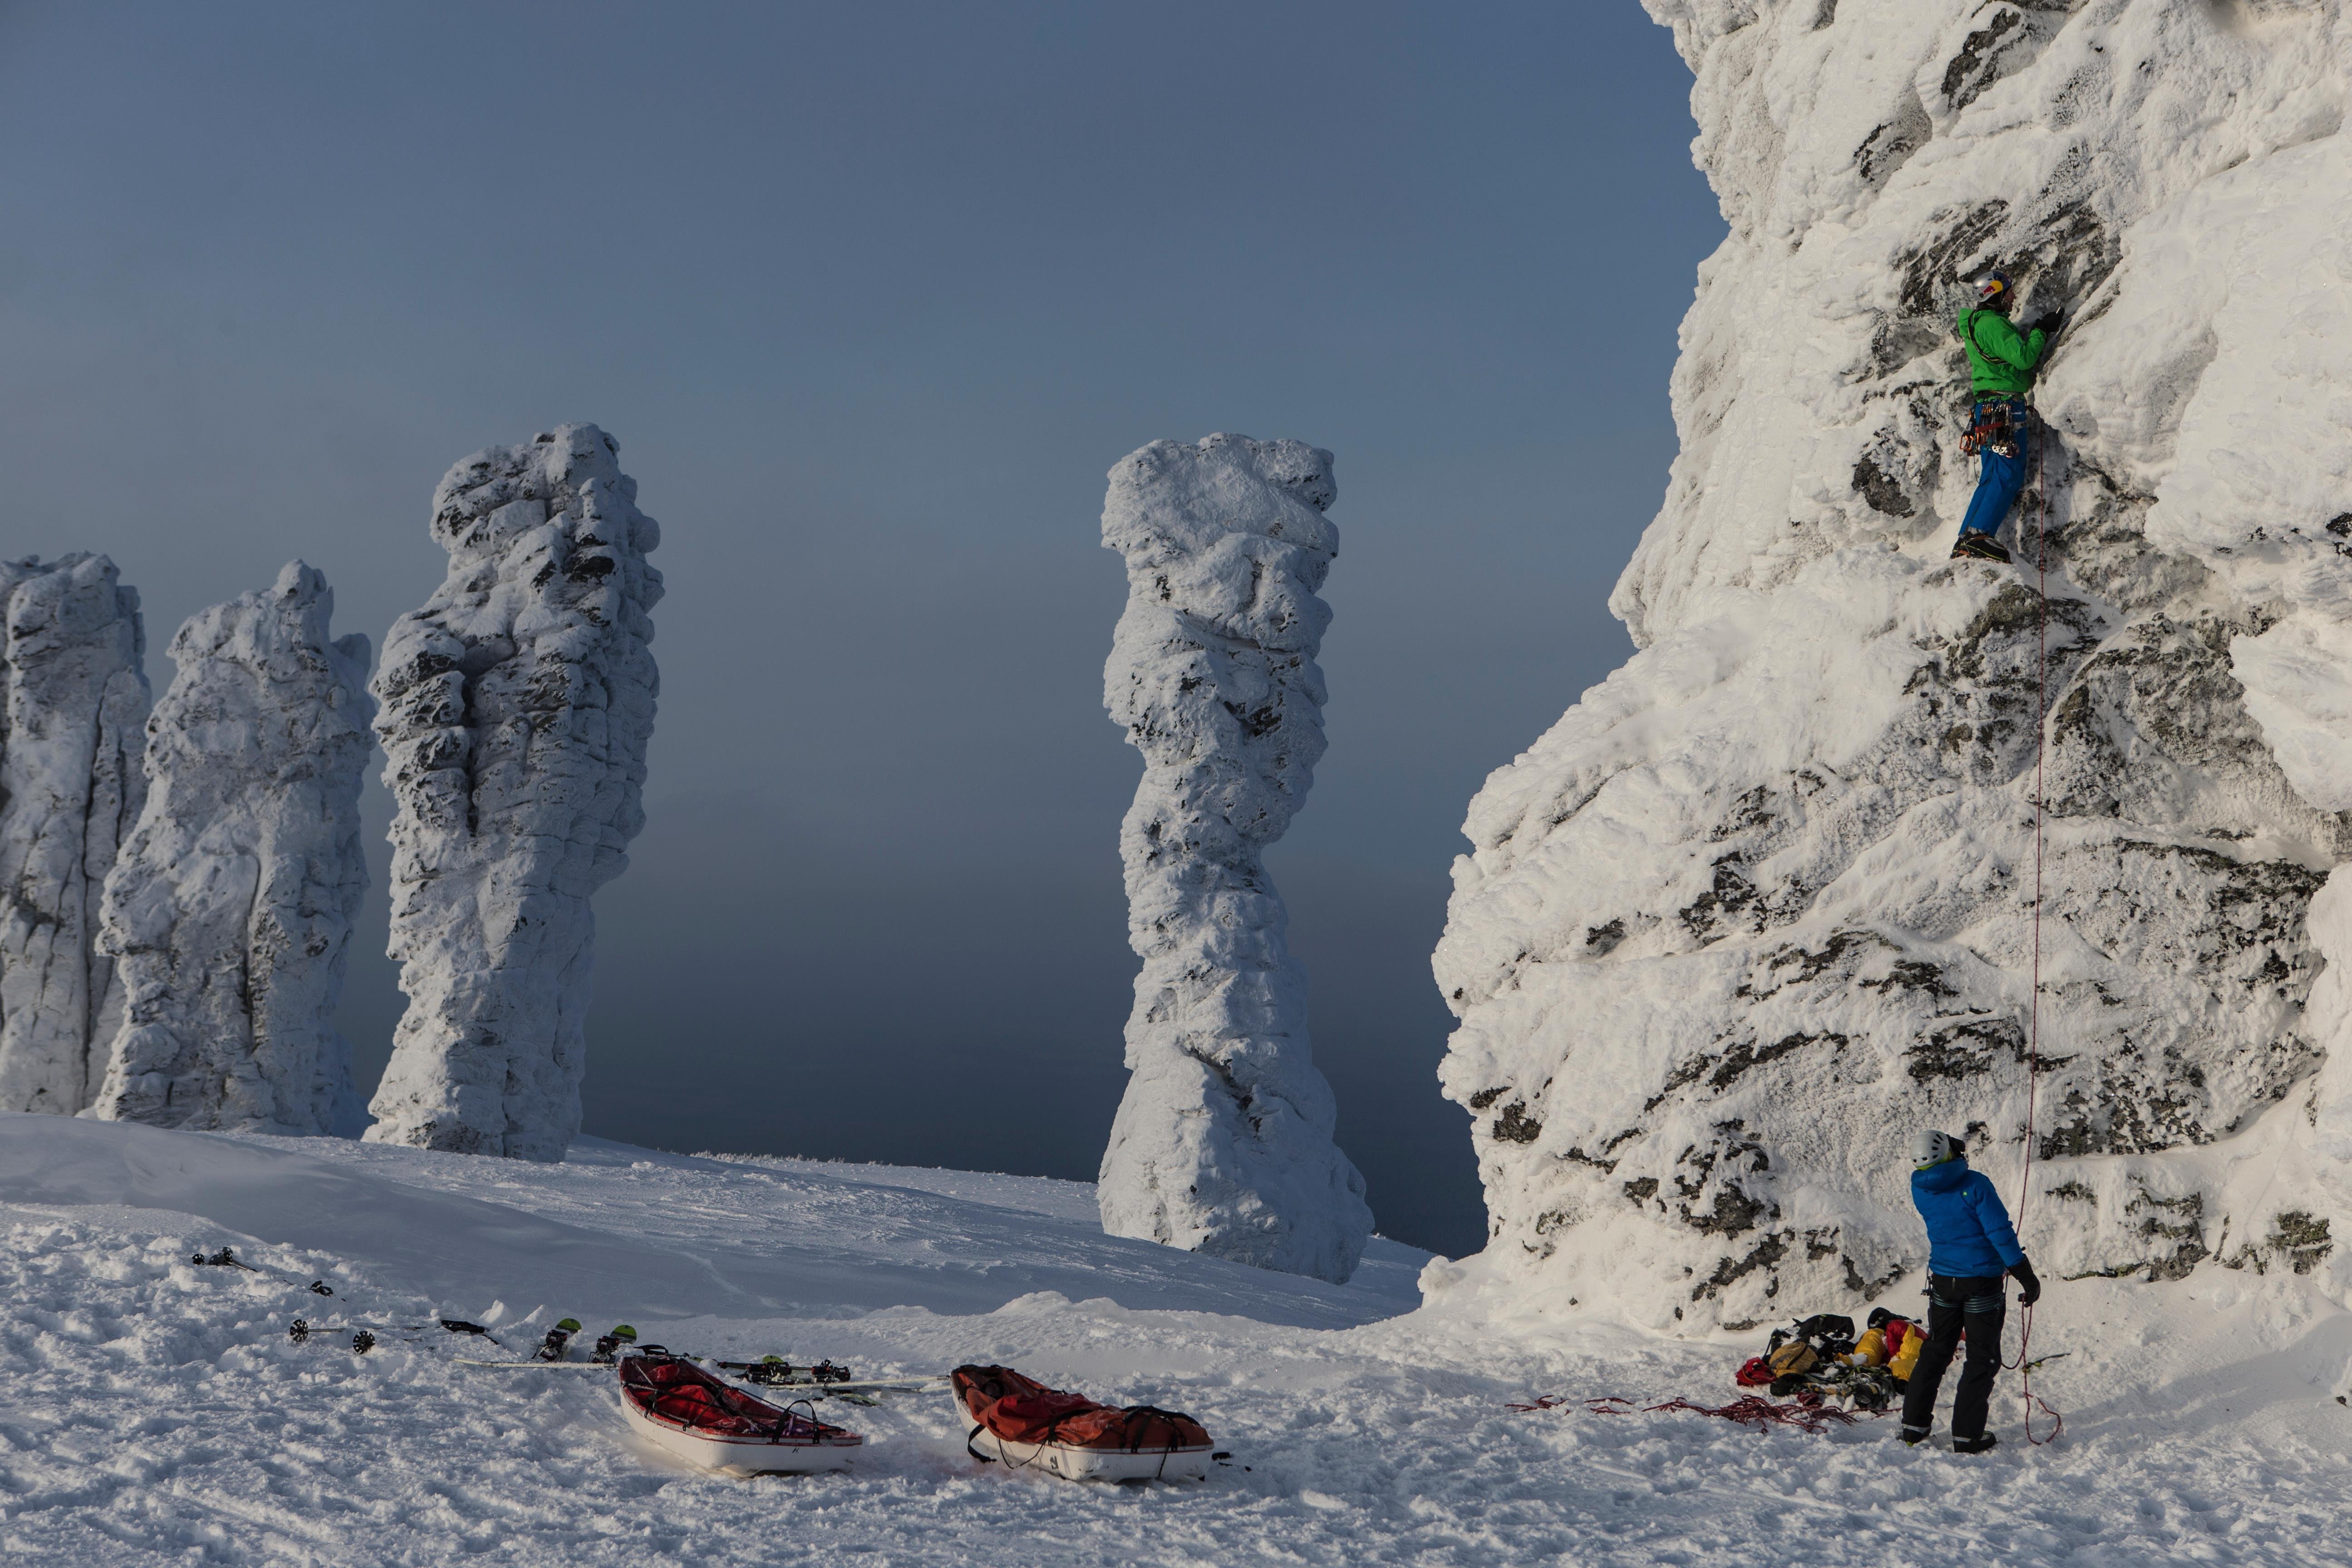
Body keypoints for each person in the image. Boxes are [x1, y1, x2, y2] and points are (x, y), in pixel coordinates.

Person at [1900, 1129, 2041, 1452]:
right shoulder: (1975, 1184)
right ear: (1948, 1153)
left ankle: (1913, 1426)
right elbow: (1999, 1232)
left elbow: (1945, 1187)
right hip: (1980, 1284)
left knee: (1936, 1351)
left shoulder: (1919, 1187)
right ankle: (1967, 1435)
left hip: (1943, 1282)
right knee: (1981, 1359)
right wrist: (2026, 1277)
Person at [1951, 273, 2061, 565]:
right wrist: (2041, 330)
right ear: (1996, 293)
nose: (2013, 298)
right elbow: (2024, 358)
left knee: (1990, 477)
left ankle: (1966, 540)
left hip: (1989, 409)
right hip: (2003, 410)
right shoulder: (1992, 323)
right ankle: (1978, 536)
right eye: (2009, 293)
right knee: (2007, 474)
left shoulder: (1978, 323)